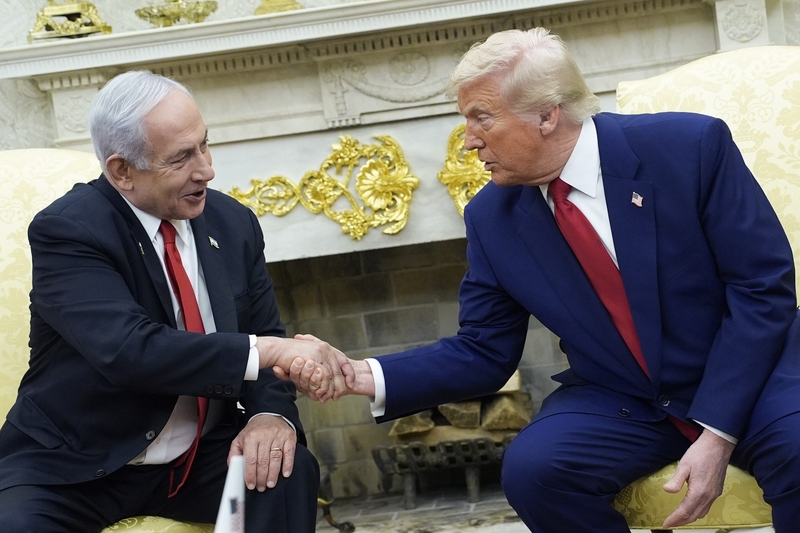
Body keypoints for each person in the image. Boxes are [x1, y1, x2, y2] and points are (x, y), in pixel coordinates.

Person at [288, 28, 800, 532]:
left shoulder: (689, 147)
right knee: (536, 471)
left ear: (547, 115)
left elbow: (762, 287)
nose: (468, 141)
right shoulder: (491, 216)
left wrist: (717, 432)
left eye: (481, 117)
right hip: (622, 397)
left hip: (747, 374)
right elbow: (484, 349)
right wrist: (361, 375)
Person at [0, 70, 349, 533]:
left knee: (285, 472)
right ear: (122, 171)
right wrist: (270, 351)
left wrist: (269, 415)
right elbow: (130, 351)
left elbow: (265, 333)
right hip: (75, 463)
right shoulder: (69, 230)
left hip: (196, 458)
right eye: (181, 157)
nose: (206, 170)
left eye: (204, 145)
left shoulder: (233, 222)